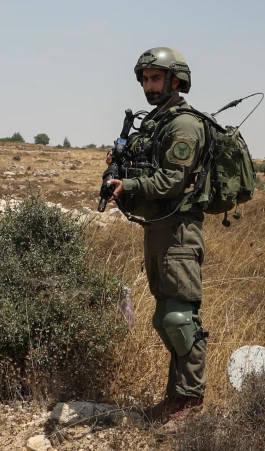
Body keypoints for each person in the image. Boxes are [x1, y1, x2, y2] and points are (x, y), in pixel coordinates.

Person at [106, 47, 207, 435]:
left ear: (175, 80)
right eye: (145, 79)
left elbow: (172, 182)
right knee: (165, 319)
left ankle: (192, 403)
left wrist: (127, 184)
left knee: (180, 319)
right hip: (157, 228)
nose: (149, 85)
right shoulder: (155, 123)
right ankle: (175, 398)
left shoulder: (184, 126)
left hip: (179, 231)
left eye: (156, 78)